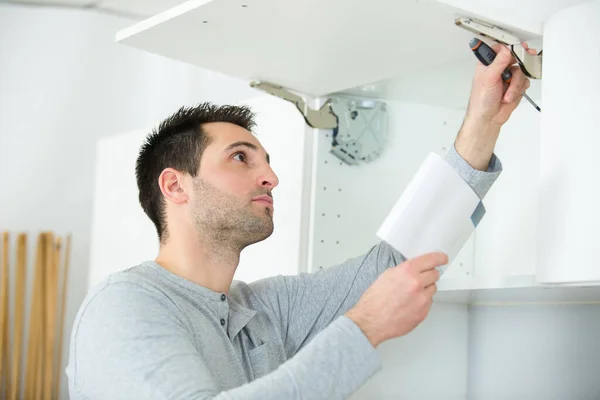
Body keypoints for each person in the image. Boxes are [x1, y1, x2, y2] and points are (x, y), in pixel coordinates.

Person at [66, 43, 532, 399]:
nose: (270, 176)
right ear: (175, 186)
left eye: (265, 161)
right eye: (240, 158)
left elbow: (395, 264)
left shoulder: (263, 310)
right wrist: (365, 327)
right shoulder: (124, 306)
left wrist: (483, 121)